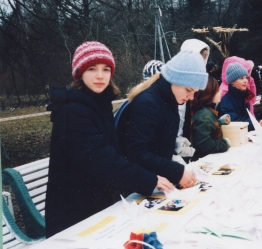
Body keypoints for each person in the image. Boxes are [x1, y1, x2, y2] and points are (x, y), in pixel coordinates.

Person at [45, 41, 174, 238]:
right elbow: (101, 161)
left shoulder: (98, 104)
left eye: (106, 69)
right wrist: (149, 179)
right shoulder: (73, 111)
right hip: (73, 216)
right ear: (79, 73)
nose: (100, 75)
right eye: (92, 68)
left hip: (97, 205)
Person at [116, 50, 208, 189]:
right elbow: (136, 152)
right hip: (138, 185)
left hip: (156, 180)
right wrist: (175, 172)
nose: (191, 98)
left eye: (195, 92)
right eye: (189, 90)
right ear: (175, 80)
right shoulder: (149, 103)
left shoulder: (169, 99)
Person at [218, 62, 262, 131]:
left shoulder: (243, 96)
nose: (246, 81)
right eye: (241, 78)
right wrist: (256, 123)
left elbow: (245, 117)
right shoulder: (226, 101)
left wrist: (258, 121)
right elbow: (235, 120)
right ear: (232, 82)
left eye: (246, 78)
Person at [191, 76, 231, 161]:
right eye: (217, 90)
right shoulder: (205, 116)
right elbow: (204, 144)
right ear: (208, 94)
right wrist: (224, 144)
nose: (220, 91)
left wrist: (220, 121)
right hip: (205, 161)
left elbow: (209, 128)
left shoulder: (207, 112)